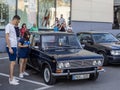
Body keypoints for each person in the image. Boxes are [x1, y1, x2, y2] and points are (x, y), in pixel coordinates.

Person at [5, 15, 20, 85]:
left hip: (13, 46)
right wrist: (10, 47)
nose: (18, 23)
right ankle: (11, 79)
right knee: (12, 63)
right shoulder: (8, 26)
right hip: (11, 47)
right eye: (18, 21)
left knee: (13, 63)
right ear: (15, 20)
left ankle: (12, 77)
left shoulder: (12, 26)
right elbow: (7, 37)